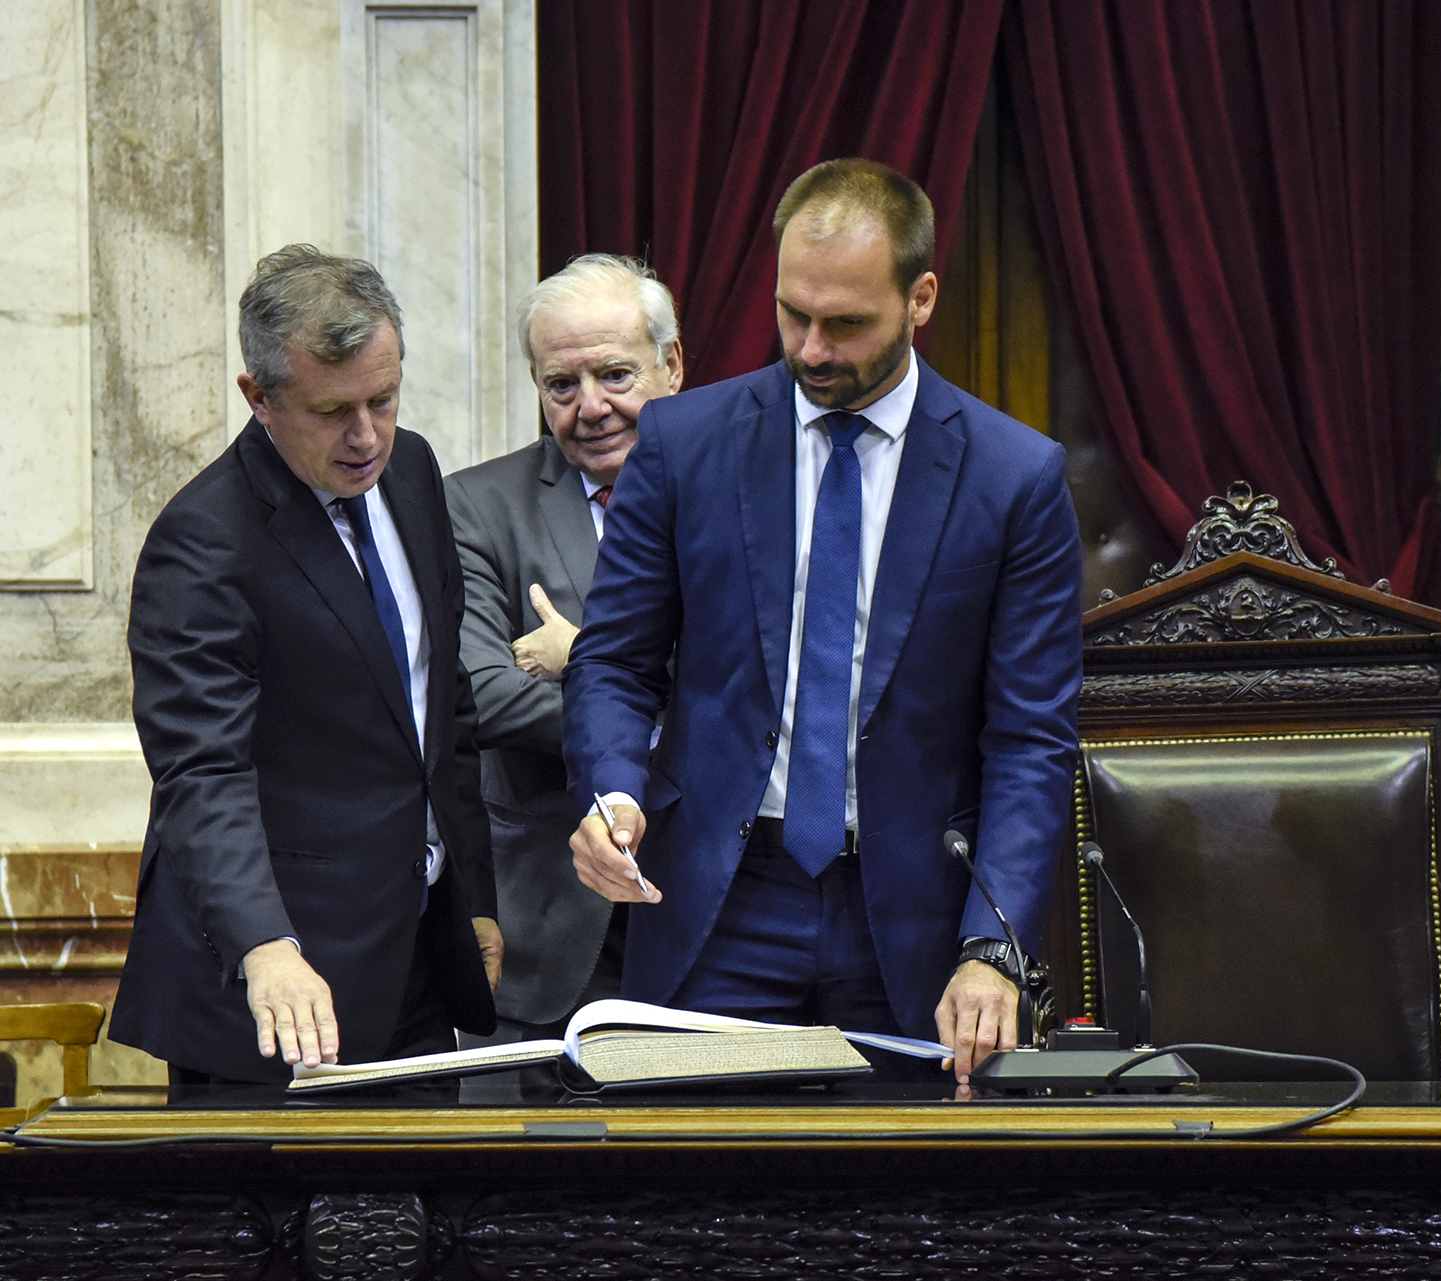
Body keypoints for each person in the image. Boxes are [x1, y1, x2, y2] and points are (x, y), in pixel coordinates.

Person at [563, 158, 1082, 1085]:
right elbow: (614, 661)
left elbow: (1030, 739)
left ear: (920, 298)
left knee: (904, 1214)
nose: (810, 348)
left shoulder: (1014, 478)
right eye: (792, 313)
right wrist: (612, 791)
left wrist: (991, 942)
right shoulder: (686, 445)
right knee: (695, 1207)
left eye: (846, 323)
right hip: (716, 902)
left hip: (915, 918)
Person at [111, 245, 501, 1086]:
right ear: (260, 398)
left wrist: (473, 895)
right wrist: (265, 945)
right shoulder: (205, 543)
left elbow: (441, 707)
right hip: (276, 991)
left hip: (418, 961)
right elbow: (202, 770)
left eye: (384, 399)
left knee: (433, 1216)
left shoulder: (416, 473)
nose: (367, 437)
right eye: (332, 412)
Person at [445, 255, 684, 1039]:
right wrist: (669, 708)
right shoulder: (478, 506)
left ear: (671, 364)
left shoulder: (739, 497)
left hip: (711, 916)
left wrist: (583, 653)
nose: (591, 407)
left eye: (616, 375)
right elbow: (482, 690)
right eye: (561, 385)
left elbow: (767, 685)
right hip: (548, 932)